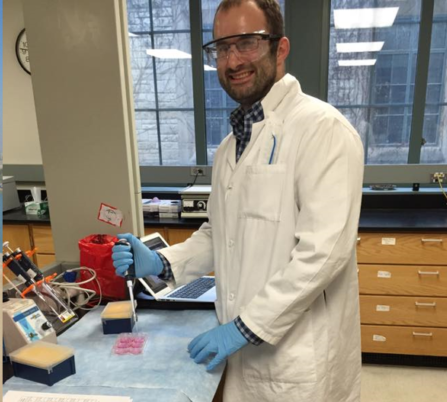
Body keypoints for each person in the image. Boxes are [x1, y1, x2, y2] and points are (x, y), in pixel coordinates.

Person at [112, 0, 363, 400]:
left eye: (246, 43)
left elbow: (323, 254)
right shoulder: (230, 147)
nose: (232, 60)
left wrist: (245, 327)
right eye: (222, 48)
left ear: (280, 48)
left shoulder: (323, 130)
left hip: (299, 362)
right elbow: (220, 233)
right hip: (244, 358)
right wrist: (163, 261)